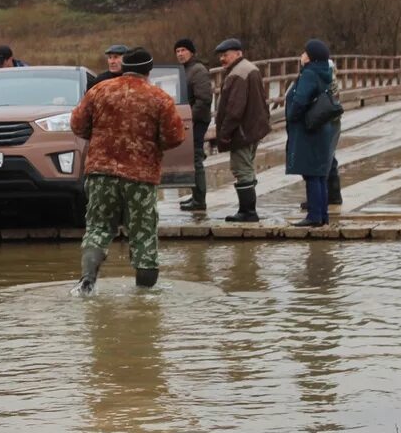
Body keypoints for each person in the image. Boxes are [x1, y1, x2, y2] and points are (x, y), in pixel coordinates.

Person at [70, 47, 185, 294]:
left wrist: (102, 136)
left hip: (100, 173)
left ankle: (87, 282)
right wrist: (153, 143)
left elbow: (77, 125)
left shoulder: (99, 91)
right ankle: (145, 296)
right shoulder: (159, 98)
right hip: (140, 177)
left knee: (98, 227)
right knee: (144, 232)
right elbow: (175, 137)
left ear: (123, 67)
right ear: (149, 70)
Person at [212, 38, 271, 223]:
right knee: (246, 168)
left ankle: (248, 212)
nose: (223, 59)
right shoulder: (249, 68)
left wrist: (224, 133)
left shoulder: (237, 74)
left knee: (241, 170)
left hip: (242, 131)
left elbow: (234, 110)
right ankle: (247, 210)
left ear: (238, 53)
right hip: (253, 128)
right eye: (221, 56)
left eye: (226, 55)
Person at [285, 39, 339, 228]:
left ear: (311, 57)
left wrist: (291, 115)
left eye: (304, 52)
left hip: (308, 129)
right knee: (318, 174)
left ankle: (314, 216)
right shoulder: (325, 72)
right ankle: (322, 214)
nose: (301, 55)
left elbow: (300, 100)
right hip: (321, 128)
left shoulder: (309, 74)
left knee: (311, 173)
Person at [175, 38, 214, 212]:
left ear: (191, 52)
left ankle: (200, 201)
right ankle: (196, 196)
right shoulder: (184, 70)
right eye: (177, 51)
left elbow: (204, 100)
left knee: (196, 159)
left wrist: (188, 118)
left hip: (196, 121)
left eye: (183, 50)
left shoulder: (198, 70)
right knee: (191, 158)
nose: (180, 54)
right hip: (189, 121)